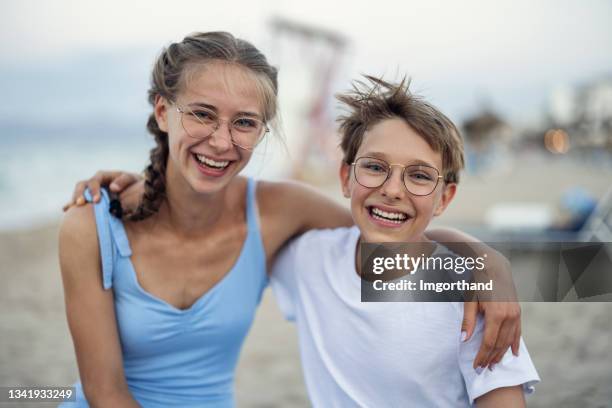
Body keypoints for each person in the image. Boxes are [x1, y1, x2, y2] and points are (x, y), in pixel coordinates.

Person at [61, 32, 521, 407]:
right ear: (163, 111)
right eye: (202, 114)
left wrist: (482, 259)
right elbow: (105, 393)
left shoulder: (278, 212)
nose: (222, 141)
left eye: (244, 123)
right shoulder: (90, 225)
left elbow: (385, 224)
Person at [269, 76, 539, 407]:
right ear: (345, 177)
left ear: (444, 199)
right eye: (374, 166)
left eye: (420, 175)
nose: (393, 189)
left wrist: (484, 260)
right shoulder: (309, 258)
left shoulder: (470, 290)